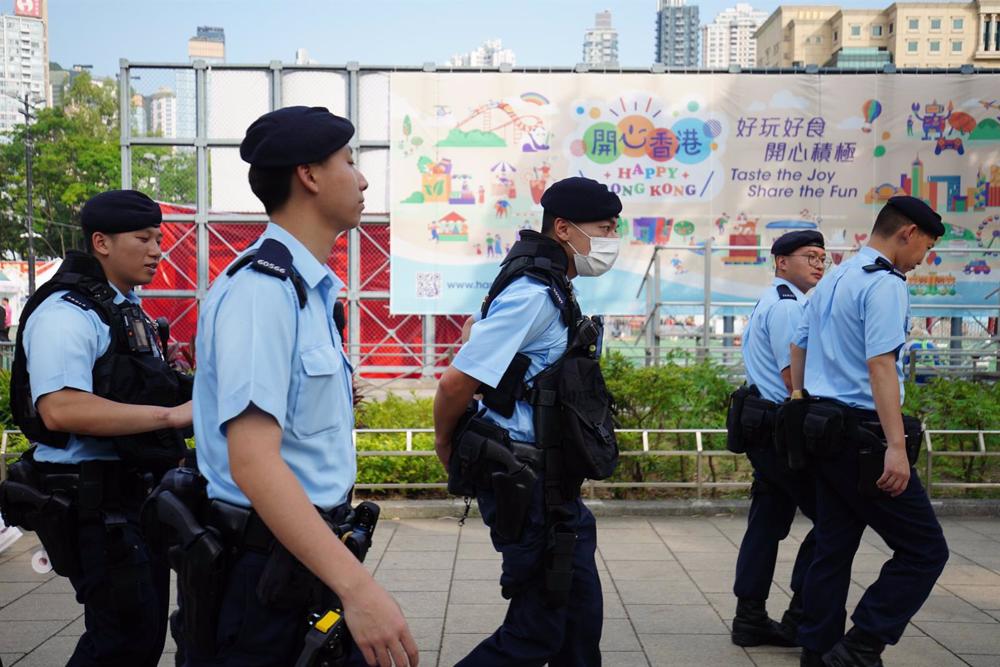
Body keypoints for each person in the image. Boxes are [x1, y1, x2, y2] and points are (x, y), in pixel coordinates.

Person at [185, 106, 417, 667]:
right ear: (309, 176)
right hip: (266, 576)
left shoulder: (307, 290)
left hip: (305, 558)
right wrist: (360, 589)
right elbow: (254, 463)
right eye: (348, 161)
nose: (361, 178)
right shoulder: (263, 293)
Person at [0, 189, 193, 666]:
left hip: (134, 497)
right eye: (143, 238)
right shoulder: (67, 312)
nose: (156, 250)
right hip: (93, 502)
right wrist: (171, 416)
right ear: (102, 243)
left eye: (159, 238)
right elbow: (61, 409)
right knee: (121, 640)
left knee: (139, 636)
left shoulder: (123, 308)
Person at [434, 176, 621, 666]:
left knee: (579, 620)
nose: (611, 240)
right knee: (536, 630)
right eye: (603, 229)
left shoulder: (550, 283)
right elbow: (456, 382)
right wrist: (443, 442)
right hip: (528, 480)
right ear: (563, 228)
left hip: (552, 481)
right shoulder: (534, 291)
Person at [790, 196, 949, 667]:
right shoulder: (884, 284)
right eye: (926, 247)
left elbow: (799, 343)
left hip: (822, 428)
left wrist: (801, 397)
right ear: (907, 234)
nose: (923, 260)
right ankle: (861, 647)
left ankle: (816, 652)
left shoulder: (836, 274)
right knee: (925, 550)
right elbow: (881, 365)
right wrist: (896, 448)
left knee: (833, 549)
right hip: (863, 435)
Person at [729, 230, 827, 647]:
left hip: (766, 428)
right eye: (810, 256)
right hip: (782, 431)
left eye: (824, 257)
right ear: (782, 262)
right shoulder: (788, 308)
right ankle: (801, 615)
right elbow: (795, 382)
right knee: (834, 519)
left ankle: (749, 616)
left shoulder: (778, 300)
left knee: (766, 524)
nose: (820, 264)